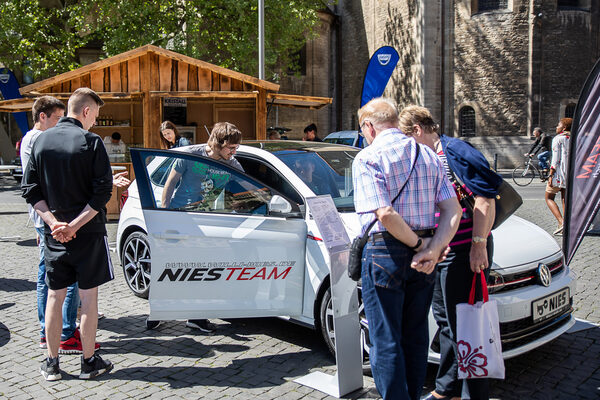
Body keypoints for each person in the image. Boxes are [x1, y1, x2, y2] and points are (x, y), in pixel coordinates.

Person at [352, 98, 461, 400]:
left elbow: (384, 214)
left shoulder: (367, 157)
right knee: (415, 335)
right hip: (423, 254)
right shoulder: (428, 154)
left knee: (385, 338)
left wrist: (419, 245)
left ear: (369, 127)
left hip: (387, 250)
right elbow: (453, 209)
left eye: (363, 132)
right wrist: (433, 248)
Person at [400, 105, 502, 400]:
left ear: (418, 129)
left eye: (408, 136)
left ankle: (477, 394)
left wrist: (478, 245)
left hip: (465, 251)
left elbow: (486, 198)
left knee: (467, 324)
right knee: (446, 322)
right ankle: (449, 389)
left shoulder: (455, 150)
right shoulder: (428, 156)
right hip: (443, 252)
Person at [22, 87, 114, 381]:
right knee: (88, 299)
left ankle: (51, 363)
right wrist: (75, 225)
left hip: (54, 233)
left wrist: (53, 223)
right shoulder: (92, 142)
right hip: (87, 232)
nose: (95, 123)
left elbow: (30, 190)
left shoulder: (40, 141)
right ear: (86, 111)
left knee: (54, 296)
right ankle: (88, 362)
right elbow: (102, 192)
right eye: (95, 116)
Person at [159, 121, 243, 332]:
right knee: (173, 270)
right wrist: (163, 215)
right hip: (180, 218)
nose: (234, 152)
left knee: (203, 271)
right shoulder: (190, 155)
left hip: (208, 222)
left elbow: (252, 186)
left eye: (236, 148)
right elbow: (170, 184)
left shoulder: (232, 163)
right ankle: (160, 310)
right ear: (217, 143)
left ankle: (196, 317)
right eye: (231, 148)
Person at [20, 96, 88, 354]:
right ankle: (64, 333)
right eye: (58, 119)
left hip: (48, 218)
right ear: (42, 116)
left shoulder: (34, 140)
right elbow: (40, 184)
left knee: (47, 276)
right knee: (61, 278)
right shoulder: (38, 140)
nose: (62, 125)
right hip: (52, 219)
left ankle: (51, 331)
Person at [546, 117, 571, 235]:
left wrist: (550, 174)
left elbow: (555, 159)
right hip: (570, 175)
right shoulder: (574, 138)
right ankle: (566, 225)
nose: (557, 127)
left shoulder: (558, 139)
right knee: (565, 199)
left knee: (549, 197)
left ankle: (561, 222)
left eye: (558, 125)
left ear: (564, 127)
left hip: (558, 174)